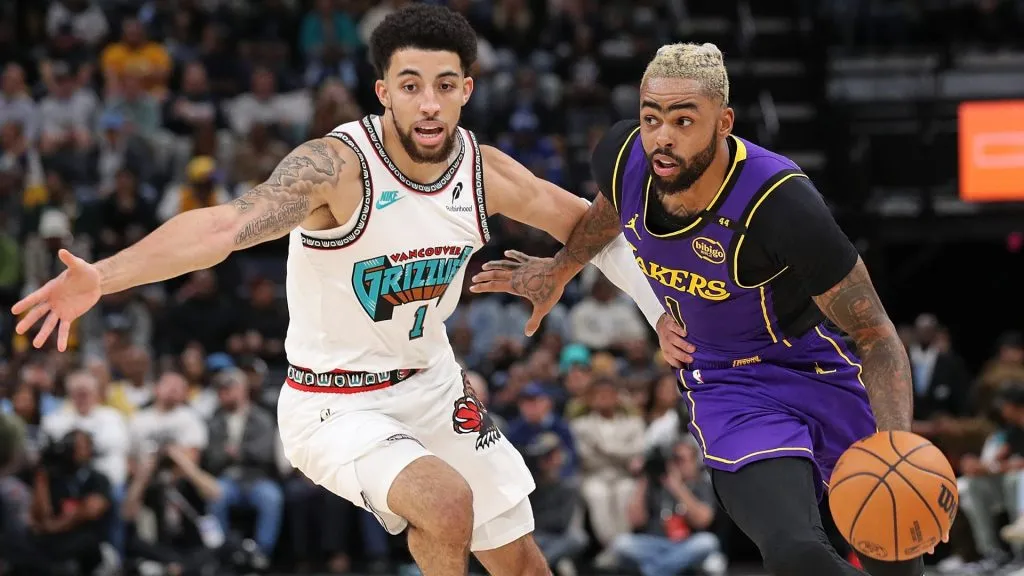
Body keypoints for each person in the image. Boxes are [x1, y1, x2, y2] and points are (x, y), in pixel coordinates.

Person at [11, 6, 686, 575]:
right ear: (383, 91)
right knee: (446, 503)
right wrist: (105, 275)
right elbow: (223, 226)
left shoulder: (483, 172)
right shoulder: (338, 168)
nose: (428, 102)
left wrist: (650, 311)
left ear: (467, 91)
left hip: (434, 386)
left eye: (444, 85)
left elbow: (594, 226)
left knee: (522, 562)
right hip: (333, 401)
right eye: (411, 83)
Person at [470, 42, 931, 576]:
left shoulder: (780, 203)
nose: (662, 136)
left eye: (684, 120)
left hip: (813, 366)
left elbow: (875, 332)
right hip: (726, 384)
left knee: (895, 549)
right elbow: (609, 212)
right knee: (794, 551)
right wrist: (558, 270)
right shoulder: (625, 156)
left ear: (723, 123)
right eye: (651, 118)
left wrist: (896, 446)